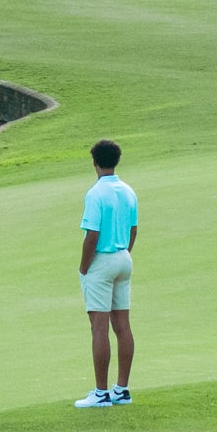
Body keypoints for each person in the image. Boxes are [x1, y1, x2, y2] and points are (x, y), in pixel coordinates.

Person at [75, 139, 140, 407]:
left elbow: (92, 235)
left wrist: (84, 267)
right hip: (124, 257)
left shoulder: (95, 193)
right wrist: (123, 255)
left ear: (95, 162)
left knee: (99, 327)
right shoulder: (128, 191)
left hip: (102, 261)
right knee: (122, 326)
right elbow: (133, 231)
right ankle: (121, 390)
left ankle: (101, 393)